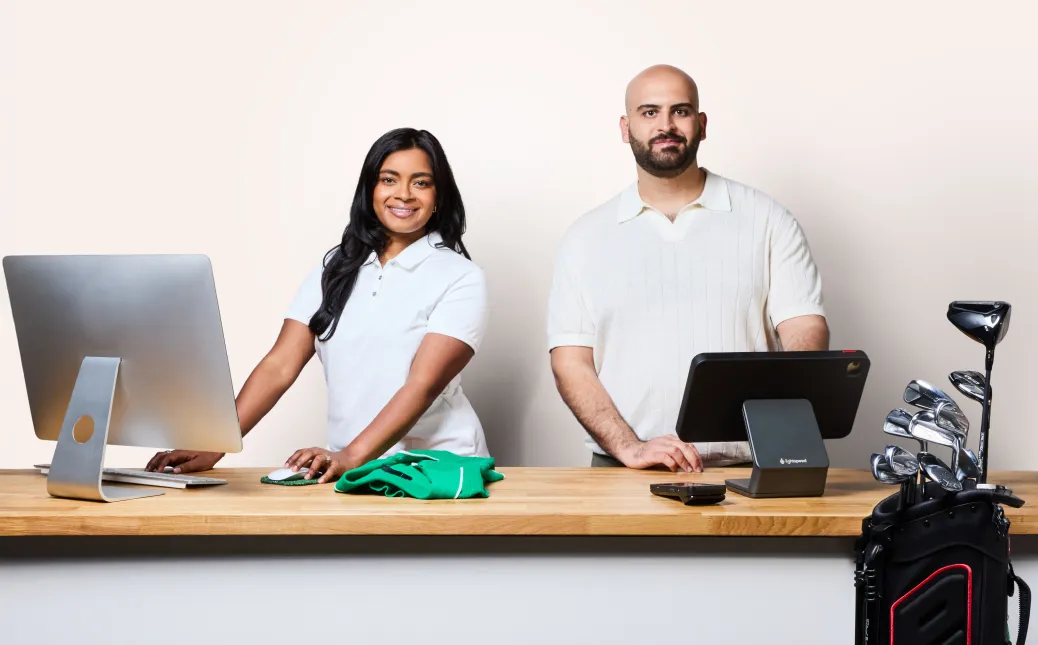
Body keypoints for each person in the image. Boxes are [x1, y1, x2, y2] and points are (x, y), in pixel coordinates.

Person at [147, 128, 489, 483]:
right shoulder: (337, 267)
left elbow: (423, 385)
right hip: (351, 468)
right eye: (389, 179)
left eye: (421, 183)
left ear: (438, 196)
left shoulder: (461, 277)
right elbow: (280, 365)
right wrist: (217, 443)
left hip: (435, 467)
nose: (403, 194)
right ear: (370, 189)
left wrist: (350, 455)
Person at [547, 65, 829, 473]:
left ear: (701, 124)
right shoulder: (585, 236)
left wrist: (776, 424)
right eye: (649, 112)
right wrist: (630, 447)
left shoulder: (767, 219)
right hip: (624, 468)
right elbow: (570, 362)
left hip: (749, 466)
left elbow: (806, 330)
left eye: (679, 111)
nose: (665, 125)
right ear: (625, 128)